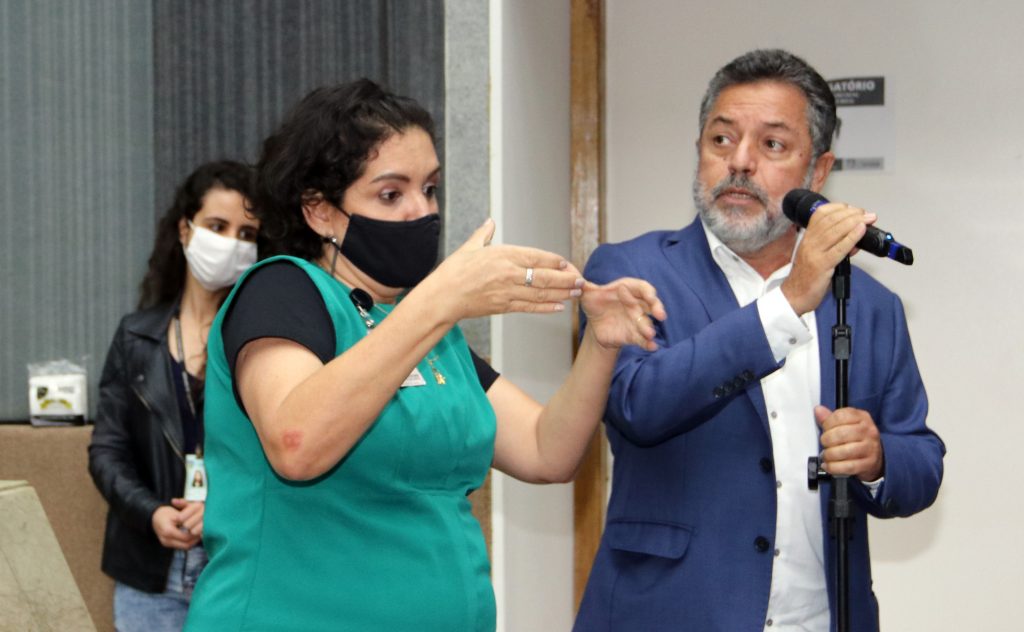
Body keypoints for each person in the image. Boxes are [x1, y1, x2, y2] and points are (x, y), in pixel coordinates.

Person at [182, 79, 665, 631]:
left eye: (430, 189)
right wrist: (441, 299)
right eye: (391, 194)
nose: (421, 210)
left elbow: (545, 451)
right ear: (320, 212)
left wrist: (600, 342)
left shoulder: (428, 328)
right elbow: (296, 443)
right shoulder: (283, 290)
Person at [573, 49, 945, 632]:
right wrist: (787, 302)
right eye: (721, 140)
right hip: (670, 615)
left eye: (772, 145)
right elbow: (637, 405)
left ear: (817, 173)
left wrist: (877, 458)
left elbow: (921, 458)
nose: (740, 162)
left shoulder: (871, 306)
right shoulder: (629, 271)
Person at [88, 160, 260, 632]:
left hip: (236, 570)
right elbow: (107, 451)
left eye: (247, 234)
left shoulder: (265, 344)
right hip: (149, 574)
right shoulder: (135, 337)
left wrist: (221, 506)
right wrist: (152, 512)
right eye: (218, 227)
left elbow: (283, 455)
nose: (232, 243)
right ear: (186, 230)